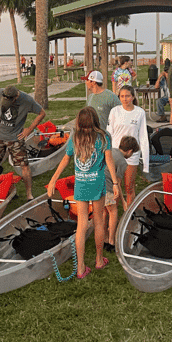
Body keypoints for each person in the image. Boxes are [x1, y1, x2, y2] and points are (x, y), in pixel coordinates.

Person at [47, 107, 121, 279]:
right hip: (97, 184)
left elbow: (65, 159)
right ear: (95, 120)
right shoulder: (103, 137)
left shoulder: (75, 138)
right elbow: (109, 160)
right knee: (98, 221)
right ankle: (99, 259)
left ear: (79, 121)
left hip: (81, 185)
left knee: (81, 225)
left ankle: (80, 268)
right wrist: (116, 183)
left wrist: (53, 179)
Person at [0, 85, 46, 200]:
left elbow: (42, 113)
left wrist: (30, 129)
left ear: (16, 97)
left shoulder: (27, 100)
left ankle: (29, 195)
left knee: (25, 166)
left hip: (15, 137)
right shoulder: (0, 92)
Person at [107, 85, 149, 207]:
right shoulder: (114, 111)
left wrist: (145, 163)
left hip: (132, 154)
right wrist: (108, 153)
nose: (124, 99)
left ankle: (130, 214)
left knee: (129, 187)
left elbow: (143, 136)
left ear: (133, 97)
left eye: (127, 96)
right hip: (116, 154)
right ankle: (114, 213)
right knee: (116, 185)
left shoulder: (140, 112)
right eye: (122, 96)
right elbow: (109, 133)